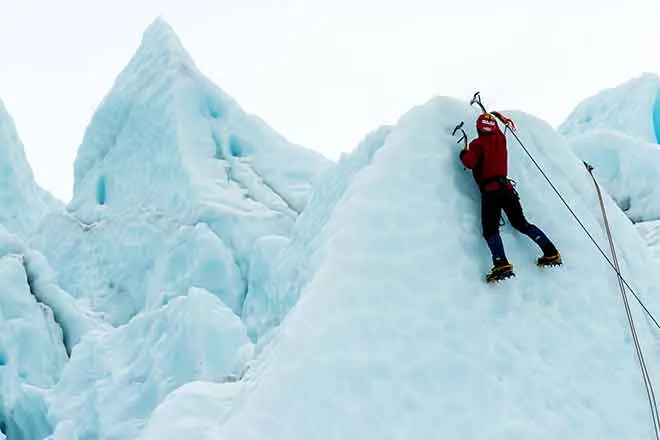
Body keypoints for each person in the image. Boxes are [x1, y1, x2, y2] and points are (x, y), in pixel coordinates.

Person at [459, 112, 561, 282]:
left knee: (490, 230)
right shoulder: (500, 139)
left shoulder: (477, 144)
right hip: (507, 189)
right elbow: (499, 129)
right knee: (522, 224)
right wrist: (496, 115)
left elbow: (469, 162)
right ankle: (550, 251)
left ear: (478, 129)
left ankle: (501, 264)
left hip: (491, 192)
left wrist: (463, 153)